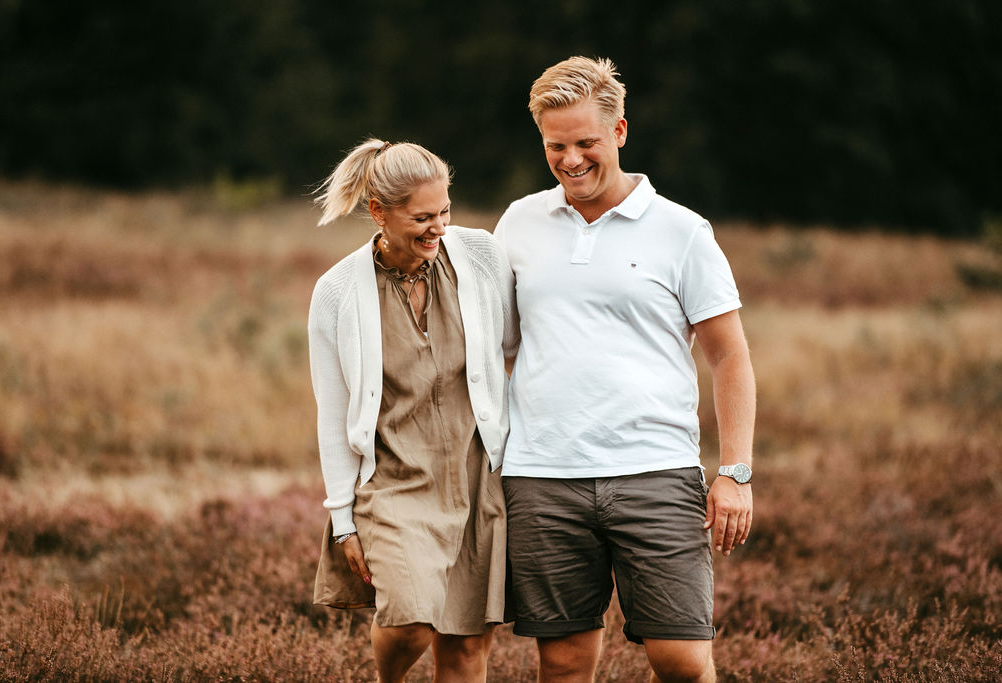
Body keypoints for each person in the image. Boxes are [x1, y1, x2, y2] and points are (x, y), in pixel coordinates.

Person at [494, 57, 756, 683]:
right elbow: (498, 348)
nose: (571, 159)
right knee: (562, 663)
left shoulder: (682, 231)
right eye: (556, 146)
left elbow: (730, 356)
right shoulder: (518, 223)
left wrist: (736, 473)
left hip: (654, 470)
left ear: (619, 132)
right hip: (542, 476)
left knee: (683, 661)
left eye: (586, 142)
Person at [307, 139, 519, 683]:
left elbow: (514, 350)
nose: (438, 228)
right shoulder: (336, 292)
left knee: (467, 648)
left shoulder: (481, 256)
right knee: (410, 623)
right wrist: (340, 519)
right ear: (378, 212)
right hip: (395, 483)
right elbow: (333, 414)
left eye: (445, 211)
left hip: (478, 478)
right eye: (422, 217)